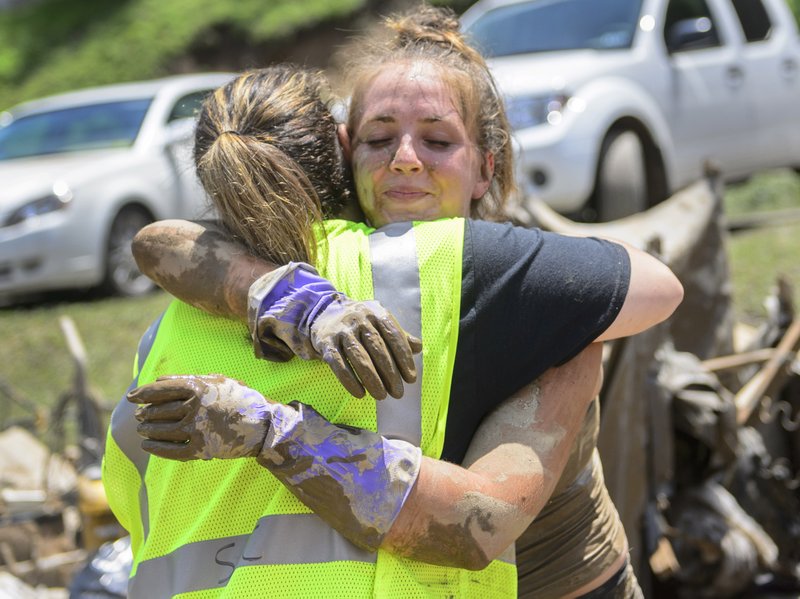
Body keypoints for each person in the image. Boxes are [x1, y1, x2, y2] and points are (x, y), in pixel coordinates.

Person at [105, 8, 682, 599]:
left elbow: (477, 524)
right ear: (345, 152)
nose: (406, 157)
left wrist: (278, 433)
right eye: (380, 139)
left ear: (486, 168)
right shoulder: (327, 270)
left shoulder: (533, 295)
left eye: (437, 140)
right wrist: (298, 302)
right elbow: (162, 241)